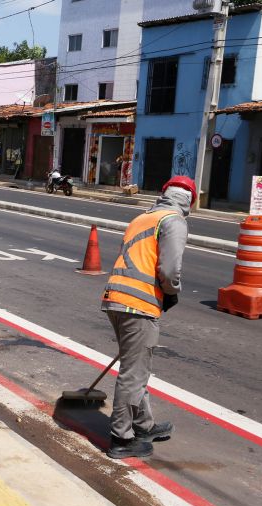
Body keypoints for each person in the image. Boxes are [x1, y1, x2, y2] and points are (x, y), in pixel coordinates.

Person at [101, 175, 195, 459]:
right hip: (138, 304)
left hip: (116, 299)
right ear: (191, 200)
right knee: (134, 373)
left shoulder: (143, 217)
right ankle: (122, 438)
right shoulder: (174, 221)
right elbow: (169, 271)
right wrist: (171, 291)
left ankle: (144, 425)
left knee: (136, 368)